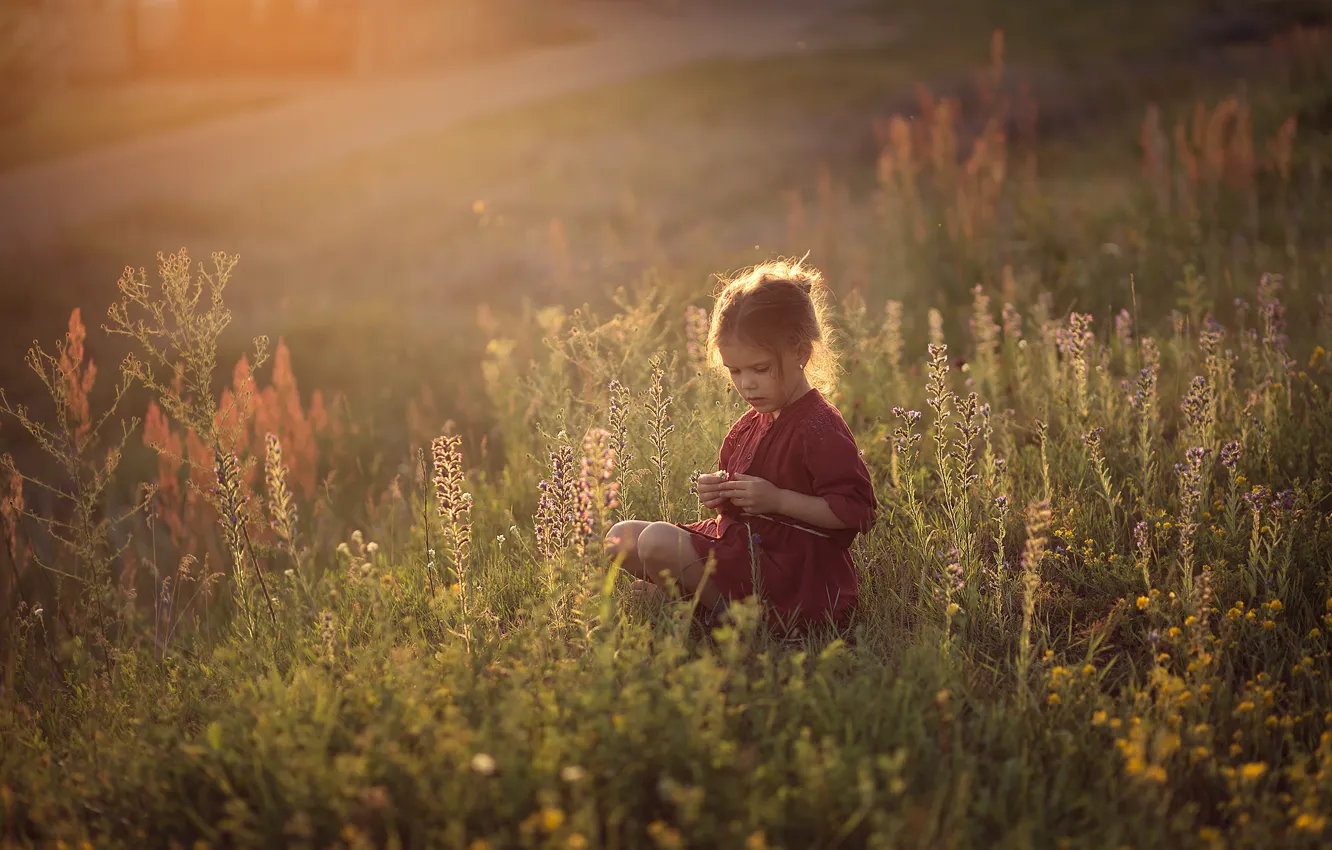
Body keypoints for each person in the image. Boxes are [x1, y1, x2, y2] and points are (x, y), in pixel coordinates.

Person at [606, 258, 877, 635]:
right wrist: (720, 495)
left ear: (800, 353)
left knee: (655, 542)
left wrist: (778, 500)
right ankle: (700, 602)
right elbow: (737, 513)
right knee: (621, 538)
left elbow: (856, 512)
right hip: (746, 548)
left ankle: (743, 622)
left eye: (760, 369)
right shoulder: (749, 425)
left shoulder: (820, 426)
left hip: (793, 570)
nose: (746, 384)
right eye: (735, 371)